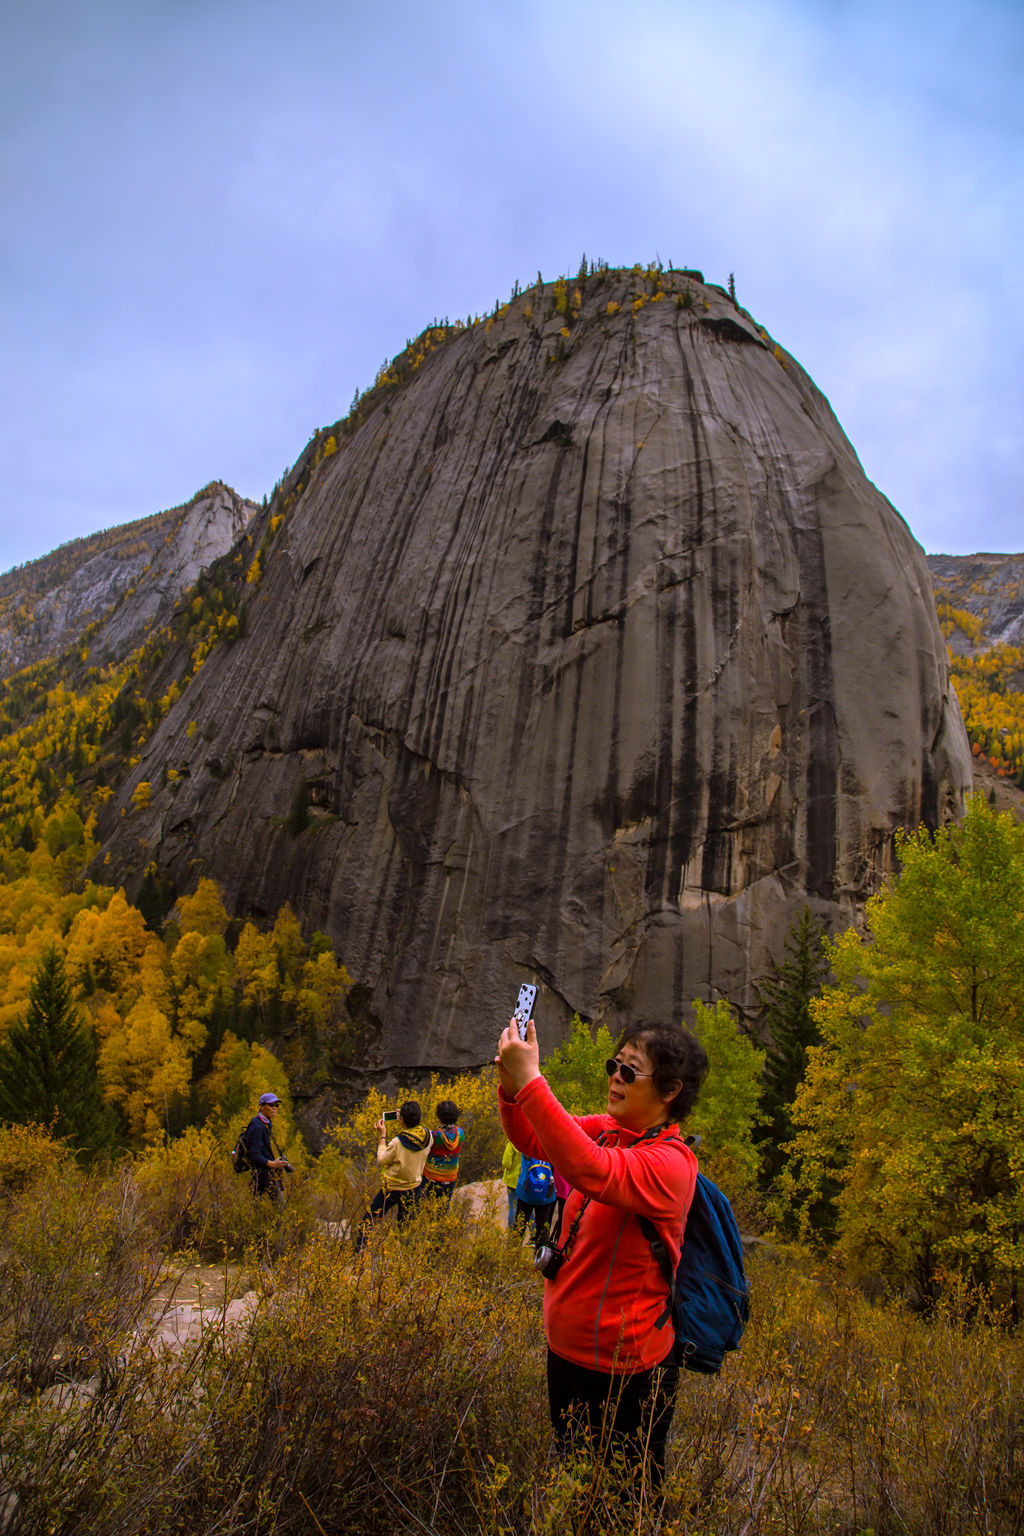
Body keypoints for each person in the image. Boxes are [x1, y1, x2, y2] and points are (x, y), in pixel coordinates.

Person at [497, 1011, 707, 1498]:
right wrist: (511, 1087)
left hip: (624, 1371)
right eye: (615, 1065)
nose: (615, 1076)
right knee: (577, 1485)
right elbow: (532, 1137)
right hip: (568, 1354)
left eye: (630, 1071)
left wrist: (533, 1079)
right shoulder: (608, 1129)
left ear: (671, 1090)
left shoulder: (670, 1164)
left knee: (625, 1500)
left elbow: (589, 1169)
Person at [355, 1100, 432, 1249]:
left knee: (368, 1222)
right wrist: (405, 1120)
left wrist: (382, 1136)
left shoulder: (398, 1142)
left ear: (401, 1120)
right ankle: (405, 1259)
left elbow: (382, 1160)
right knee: (405, 1228)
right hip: (414, 1188)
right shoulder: (429, 1137)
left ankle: (359, 1256)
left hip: (393, 1188)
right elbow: (415, 1137)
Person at [244, 1091, 292, 1200]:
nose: (274, 1108)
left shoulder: (263, 1124)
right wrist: (273, 1164)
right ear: (261, 1107)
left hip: (264, 1176)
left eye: (276, 1105)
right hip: (262, 1177)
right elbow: (254, 1155)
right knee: (279, 1210)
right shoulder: (258, 1126)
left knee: (265, 1210)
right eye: (271, 1105)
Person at [419, 1099, 464, 1202]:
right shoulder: (460, 1133)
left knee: (423, 1204)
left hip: (432, 1177)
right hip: (450, 1177)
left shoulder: (435, 1135)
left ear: (439, 1118)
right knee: (443, 1207)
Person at [514, 1153, 557, 1244]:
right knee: (542, 1231)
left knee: (518, 1229)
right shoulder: (553, 1143)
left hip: (525, 1192)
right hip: (546, 1193)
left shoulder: (528, 1143)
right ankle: (540, 1256)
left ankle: (513, 1255)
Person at [501, 1139, 522, 1229]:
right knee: (528, 1208)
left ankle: (511, 1231)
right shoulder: (528, 1141)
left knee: (513, 1207)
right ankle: (534, 1231)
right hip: (524, 1181)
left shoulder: (512, 1143)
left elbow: (506, 1163)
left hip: (512, 1181)